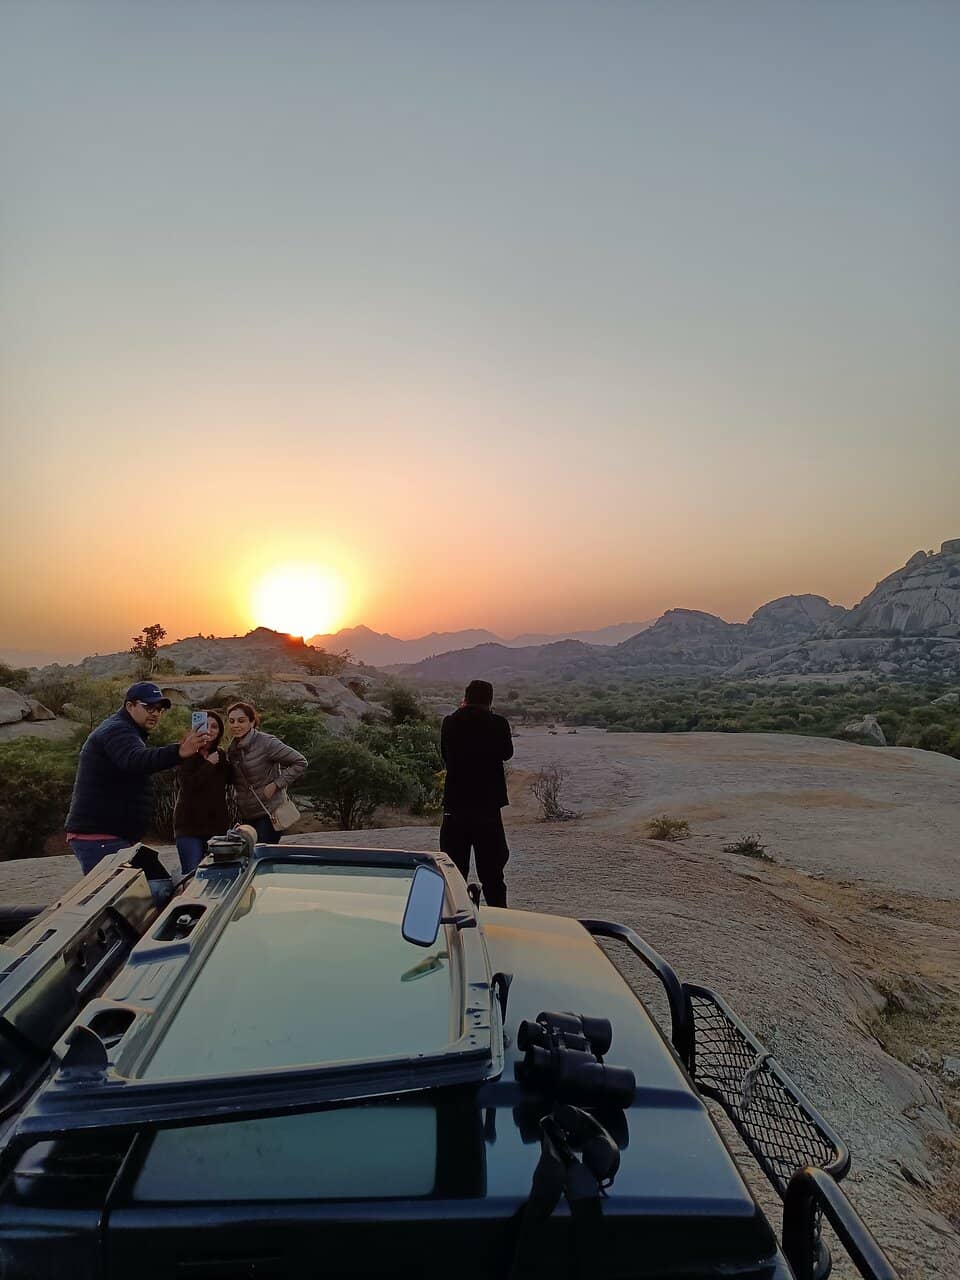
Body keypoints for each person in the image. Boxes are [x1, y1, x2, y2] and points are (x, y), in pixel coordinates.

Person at [64, 681, 206, 874]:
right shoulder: (117, 730)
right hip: (100, 837)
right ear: (130, 706)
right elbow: (135, 760)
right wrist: (179, 751)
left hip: (112, 835)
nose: (155, 713)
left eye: (159, 709)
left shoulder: (126, 730)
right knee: (134, 896)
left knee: (158, 884)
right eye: (148, 707)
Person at [439, 679, 514, 907]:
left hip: (456, 805)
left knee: (454, 871)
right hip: (487, 808)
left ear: (466, 698)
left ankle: (456, 920)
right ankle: (499, 920)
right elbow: (507, 753)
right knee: (493, 873)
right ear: (489, 700)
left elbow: (445, 754)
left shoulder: (450, 723)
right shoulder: (498, 723)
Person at [226, 701, 307, 842]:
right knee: (251, 858)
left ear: (252, 722)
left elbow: (300, 762)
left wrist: (276, 784)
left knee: (263, 854)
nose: (235, 725)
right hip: (247, 814)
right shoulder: (233, 749)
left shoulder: (267, 743)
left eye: (241, 721)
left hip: (269, 812)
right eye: (232, 721)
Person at [173, 710, 231, 875]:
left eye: (215, 727)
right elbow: (188, 786)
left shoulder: (220, 755)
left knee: (216, 876)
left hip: (216, 827)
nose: (210, 730)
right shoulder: (185, 753)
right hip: (189, 826)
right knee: (192, 876)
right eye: (206, 725)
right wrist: (208, 765)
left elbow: (231, 780)